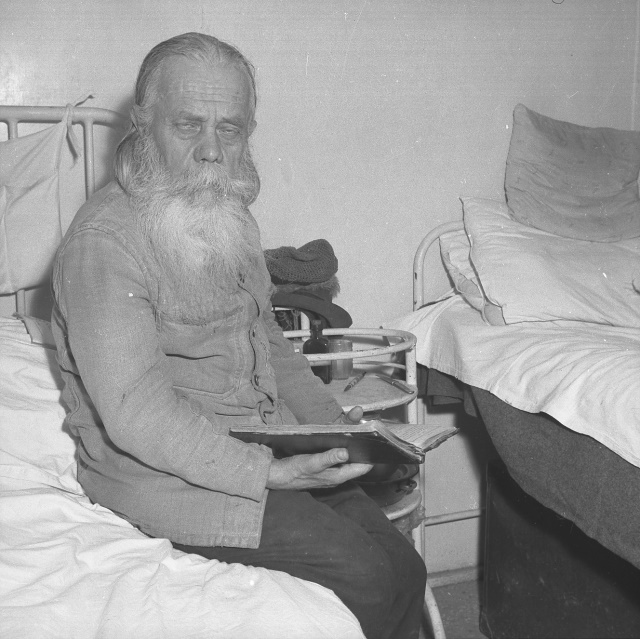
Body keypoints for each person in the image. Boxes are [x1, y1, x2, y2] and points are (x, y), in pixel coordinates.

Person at [51, 32, 426, 639]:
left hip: (267, 445)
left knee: (405, 566)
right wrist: (268, 473)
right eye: (188, 125)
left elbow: (268, 343)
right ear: (143, 125)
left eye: (229, 129)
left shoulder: (226, 214)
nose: (211, 151)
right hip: (166, 477)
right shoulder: (104, 243)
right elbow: (136, 412)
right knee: (371, 577)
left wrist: (342, 431)